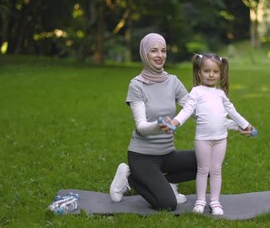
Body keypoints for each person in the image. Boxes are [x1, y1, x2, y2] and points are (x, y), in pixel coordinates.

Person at [109, 33, 251, 212]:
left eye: (163, 50)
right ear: (144, 54)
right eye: (154, 51)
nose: (160, 55)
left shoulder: (173, 82)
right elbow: (142, 128)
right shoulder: (136, 85)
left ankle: (164, 182)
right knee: (167, 204)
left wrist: (237, 126)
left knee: (209, 164)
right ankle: (130, 176)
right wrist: (158, 125)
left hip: (167, 154)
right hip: (142, 156)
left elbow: (200, 114)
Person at [169, 53, 255, 216]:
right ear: (199, 73)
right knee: (202, 170)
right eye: (207, 71)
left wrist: (245, 125)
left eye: (215, 71)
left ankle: (215, 201)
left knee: (216, 170)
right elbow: (187, 110)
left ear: (220, 73)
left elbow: (232, 111)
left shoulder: (220, 94)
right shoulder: (196, 92)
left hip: (221, 139)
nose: (211, 75)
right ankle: (200, 201)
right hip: (203, 140)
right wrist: (175, 122)